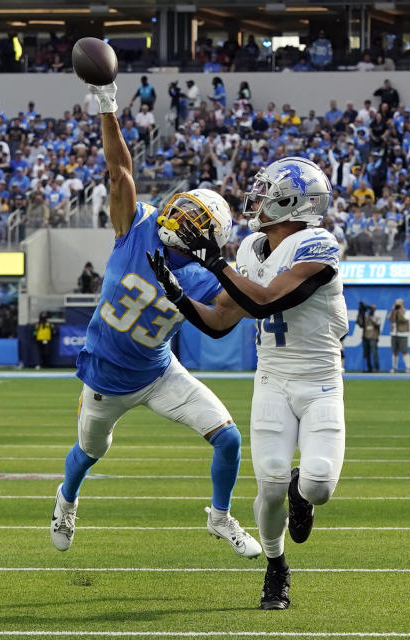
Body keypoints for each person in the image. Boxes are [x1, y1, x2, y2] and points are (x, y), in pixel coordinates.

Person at [50, 78, 261, 561]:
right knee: (88, 454)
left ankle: (220, 517)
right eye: (181, 207)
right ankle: (66, 499)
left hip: (159, 372)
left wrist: (253, 269)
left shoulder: (206, 274)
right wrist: (107, 104)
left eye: (192, 217)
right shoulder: (136, 227)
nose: (177, 215)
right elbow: (119, 170)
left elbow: (228, 315)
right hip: (104, 378)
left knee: (228, 438)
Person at [147, 156, 345, 611]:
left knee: (317, 486)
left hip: (319, 383)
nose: (256, 198)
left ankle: (303, 492)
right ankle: (276, 567)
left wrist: (214, 262)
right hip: (272, 379)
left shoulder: (319, 245)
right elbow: (220, 323)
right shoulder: (251, 249)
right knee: (269, 483)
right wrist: (178, 297)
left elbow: (265, 301)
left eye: (267, 191)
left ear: (294, 202)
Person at [388, 298, 410, 373]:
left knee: (404, 351)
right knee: (394, 351)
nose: (397, 305)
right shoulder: (394, 311)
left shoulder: (407, 311)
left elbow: (404, 320)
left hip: (403, 334)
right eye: (396, 303)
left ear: (402, 304)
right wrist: (392, 310)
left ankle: (408, 368)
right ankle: (394, 368)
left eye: (399, 304)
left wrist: (400, 311)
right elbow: (389, 319)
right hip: (394, 333)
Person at [357, 302, 381, 372]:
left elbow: (377, 324)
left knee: (374, 353)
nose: (371, 310)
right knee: (366, 354)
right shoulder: (366, 317)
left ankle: (376, 368)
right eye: (371, 309)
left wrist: (370, 317)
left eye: (373, 309)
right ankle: (369, 368)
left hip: (373, 337)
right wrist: (360, 313)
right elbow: (360, 324)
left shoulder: (377, 317)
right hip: (365, 337)